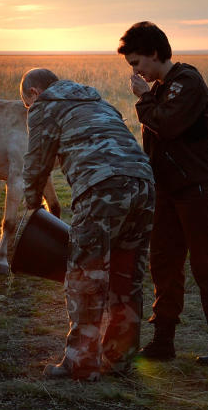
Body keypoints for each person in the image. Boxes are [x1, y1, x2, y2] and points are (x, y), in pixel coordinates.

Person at [118, 21, 208, 367]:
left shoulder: (187, 83)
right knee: (163, 262)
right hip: (169, 189)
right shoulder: (164, 87)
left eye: (137, 62)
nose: (136, 71)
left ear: (155, 54)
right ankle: (163, 340)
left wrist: (143, 96)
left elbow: (167, 125)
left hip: (199, 187)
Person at [21, 68, 155, 381]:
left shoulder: (43, 106)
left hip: (102, 188)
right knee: (127, 275)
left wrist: (31, 207)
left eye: (27, 103)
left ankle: (80, 363)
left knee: (85, 277)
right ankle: (120, 361)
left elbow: (36, 163)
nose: (29, 109)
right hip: (144, 184)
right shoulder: (98, 101)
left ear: (33, 93)